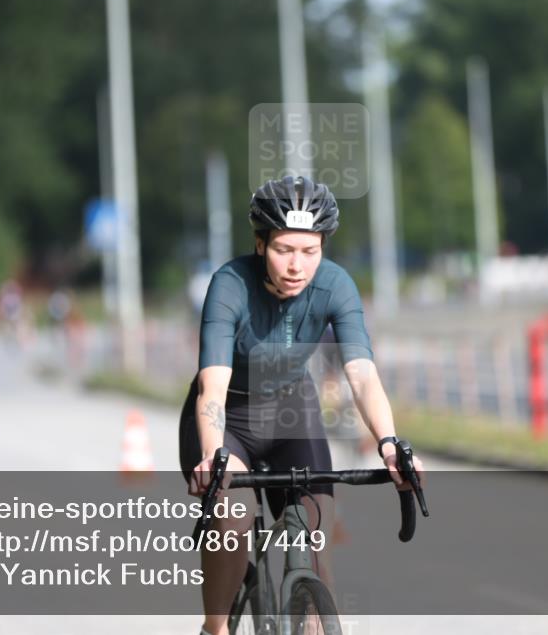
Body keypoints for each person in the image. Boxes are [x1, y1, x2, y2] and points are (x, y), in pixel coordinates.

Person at [179, 176, 425, 635]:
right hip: (229, 418)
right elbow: (211, 390)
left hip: (293, 413)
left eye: (309, 251)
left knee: (318, 549)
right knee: (232, 520)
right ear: (260, 244)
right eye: (283, 250)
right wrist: (214, 454)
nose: (297, 265)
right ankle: (215, 628)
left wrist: (389, 443)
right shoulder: (229, 284)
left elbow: (362, 374)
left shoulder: (335, 285)